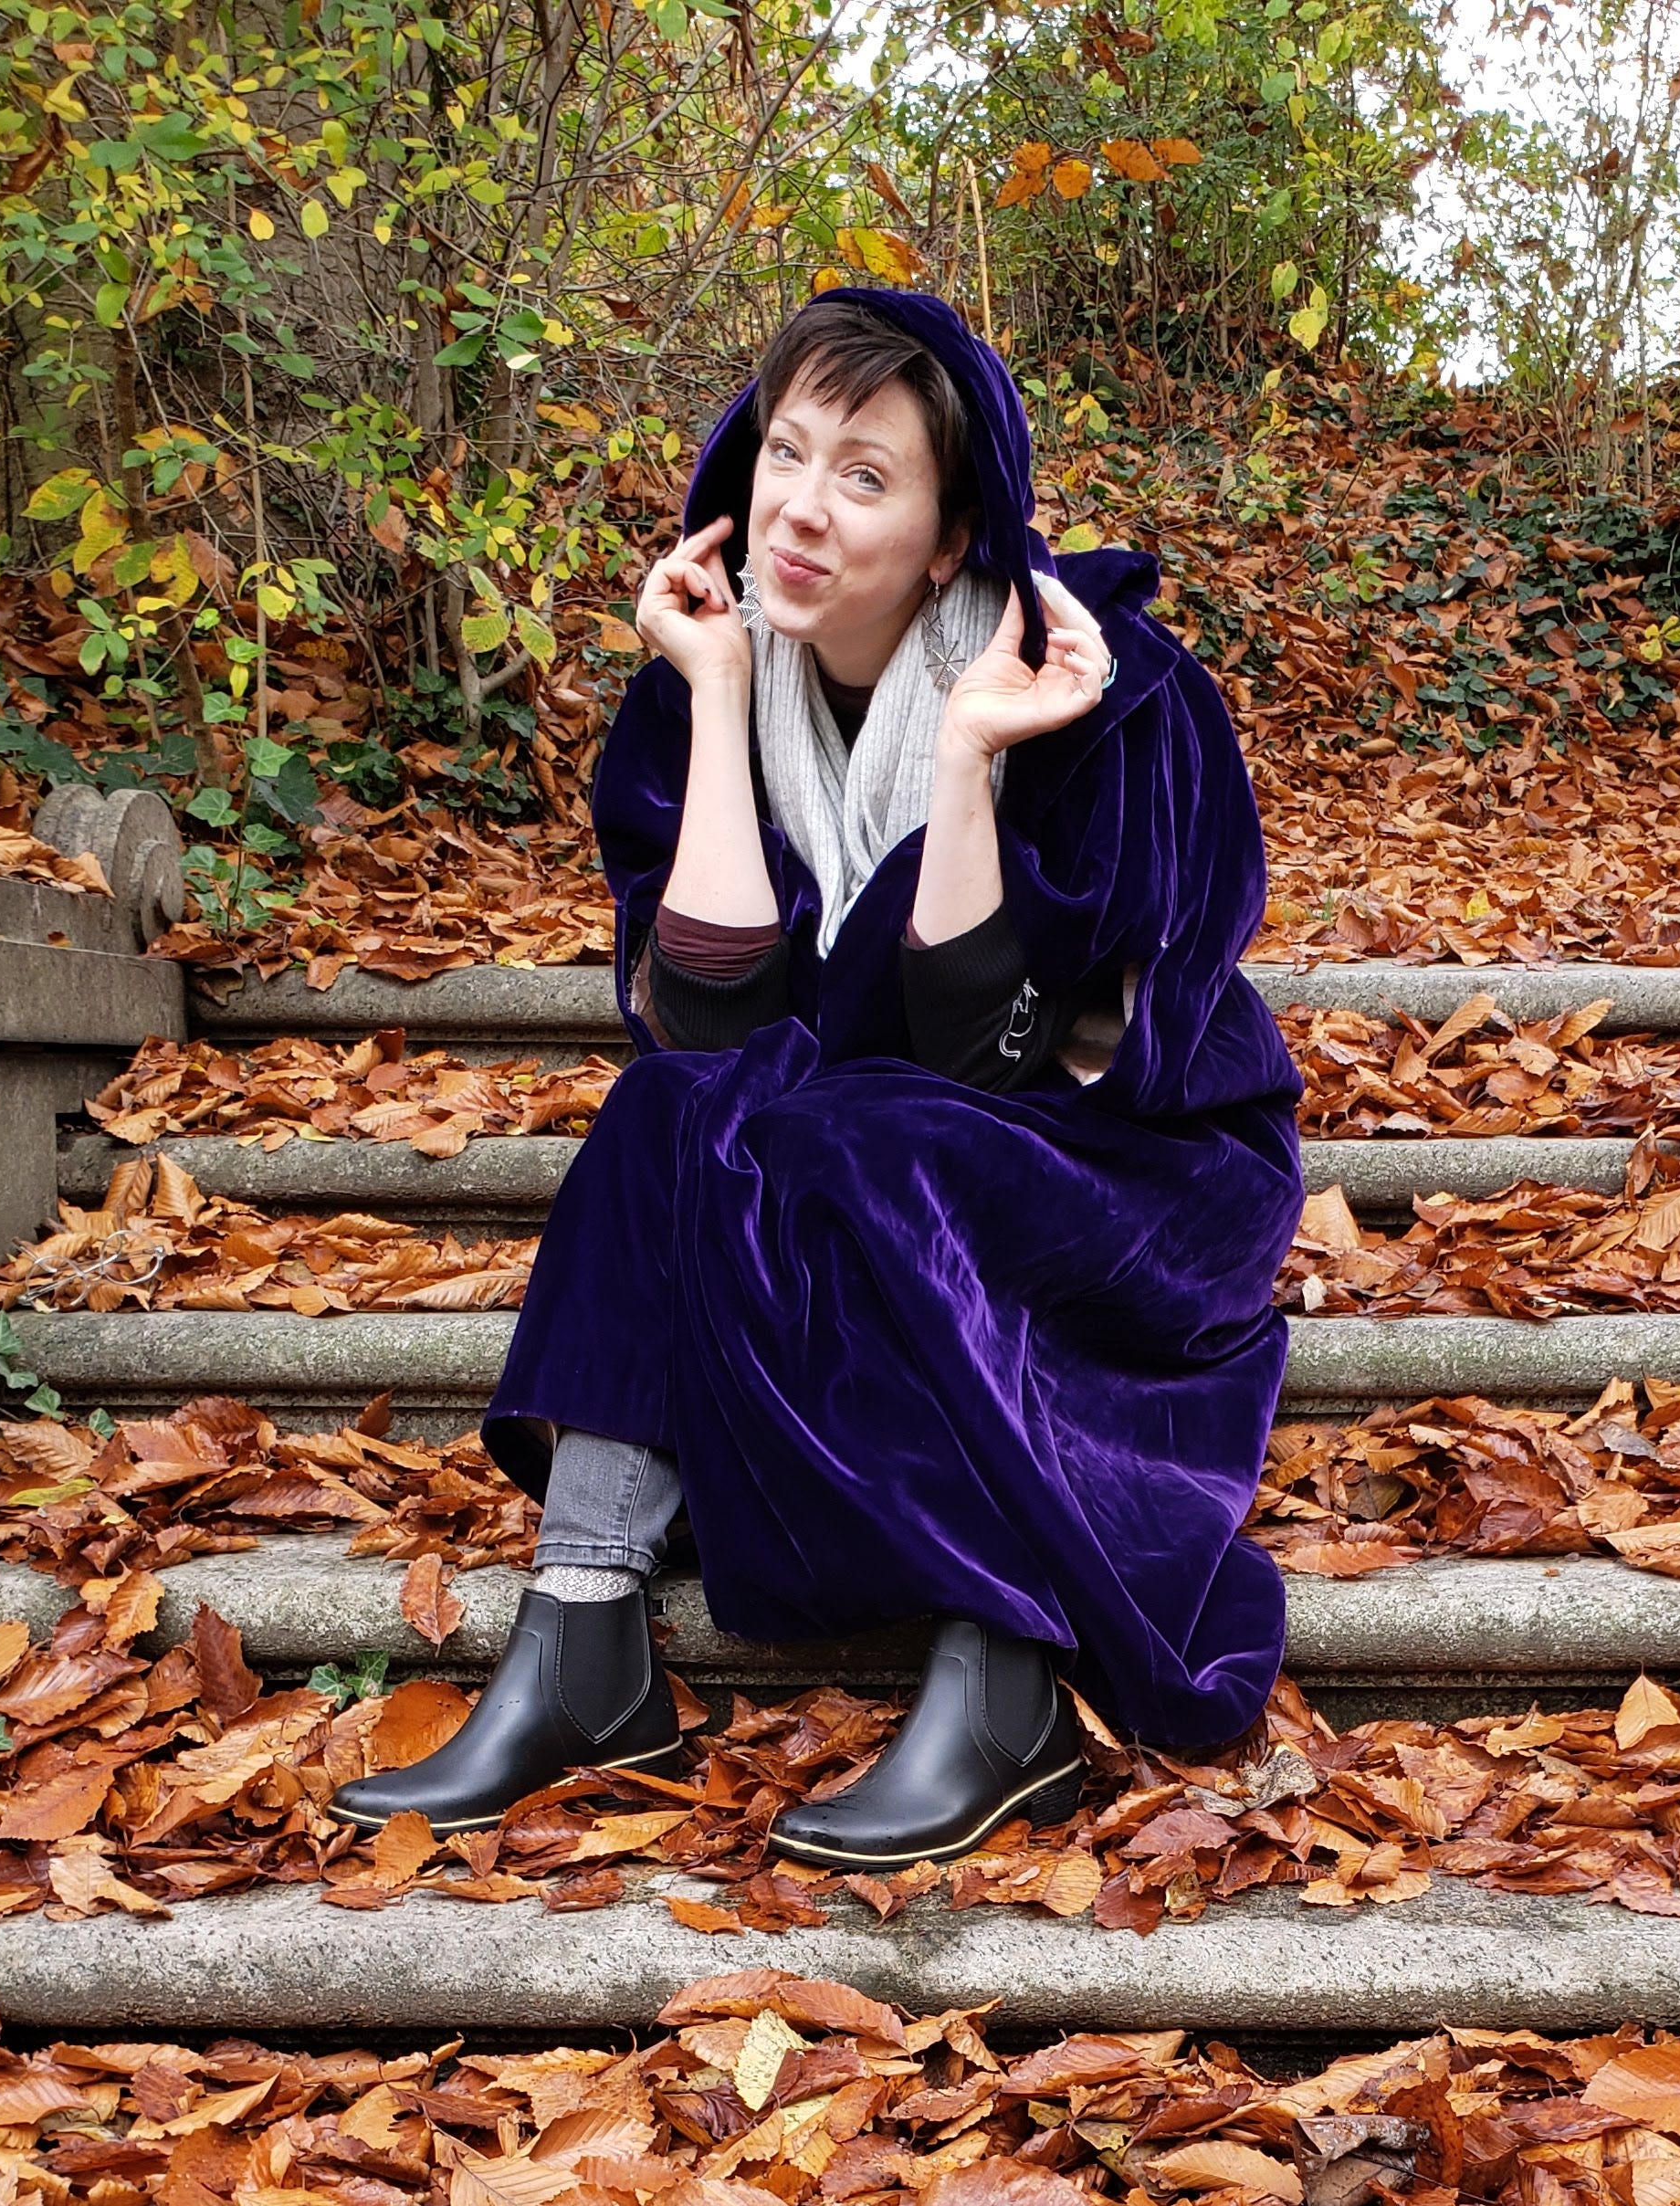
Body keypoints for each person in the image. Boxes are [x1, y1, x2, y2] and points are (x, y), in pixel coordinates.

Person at [333, 286, 1303, 1868]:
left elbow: (992, 1060)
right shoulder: (712, 682)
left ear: (950, 534)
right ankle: (583, 1644)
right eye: (785, 453)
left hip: (1134, 1160)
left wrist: (968, 762)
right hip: (863, 1139)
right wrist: (719, 697)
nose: (799, 506)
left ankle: (1005, 1677)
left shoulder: (1104, 686)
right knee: (674, 1112)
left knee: (886, 1136)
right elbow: (713, 1036)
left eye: (865, 475)